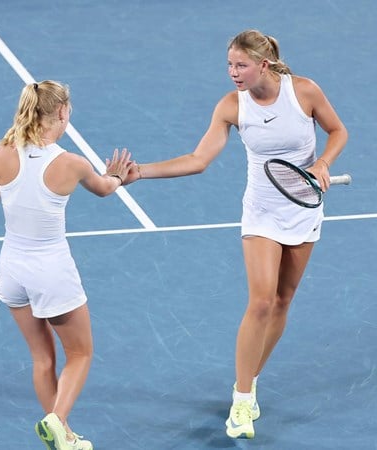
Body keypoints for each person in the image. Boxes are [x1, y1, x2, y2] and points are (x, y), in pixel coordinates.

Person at [123, 29, 348, 439]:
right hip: (261, 211)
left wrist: (324, 164)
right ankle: (242, 401)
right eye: (229, 65)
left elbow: (338, 131)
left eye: (240, 65)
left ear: (263, 64)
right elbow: (198, 159)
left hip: (303, 208)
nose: (232, 73)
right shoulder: (232, 106)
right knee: (261, 301)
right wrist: (141, 172)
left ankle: (249, 381)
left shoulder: (304, 92)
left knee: (282, 301)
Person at [0, 80, 132, 450]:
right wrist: (120, 176)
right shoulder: (72, 163)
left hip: (11, 271)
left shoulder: (1, 153)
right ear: (61, 113)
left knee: (42, 358)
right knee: (80, 353)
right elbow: (106, 188)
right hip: (51, 272)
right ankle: (57, 421)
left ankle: (66, 439)